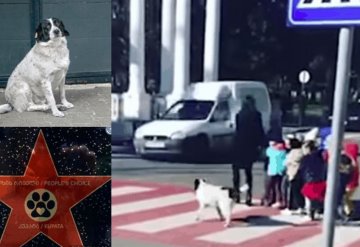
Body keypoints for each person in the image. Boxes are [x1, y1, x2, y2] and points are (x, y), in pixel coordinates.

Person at [232, 95, 266, 206]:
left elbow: (237, 130)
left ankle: (236, 194)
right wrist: (262, 144)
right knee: (248, 172)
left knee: (236, 171)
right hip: (250, 146)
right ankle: (248, 195)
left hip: (238, 145)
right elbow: (259, 131)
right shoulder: (256, 115)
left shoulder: (239, 115)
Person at [299, 141, 327, 221]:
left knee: (309, 197)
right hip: (321, 179)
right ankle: (319, 211)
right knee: (319, 196)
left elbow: (303, 169)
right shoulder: (321, 157)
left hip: (310, 180)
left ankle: (310, 213)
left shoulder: (306, 158)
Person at [281, 138, 305, 215]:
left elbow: (286, 162)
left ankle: (293, 207)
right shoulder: (302, 151)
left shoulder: (293, 153)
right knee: (298, 191)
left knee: (292, 192)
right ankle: (300, 206)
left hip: (293, 174)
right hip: (300, 174)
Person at [264, 140, 287, 208]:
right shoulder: (282, 152)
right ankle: (273, 200)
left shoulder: (273, 151)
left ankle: (274, 200)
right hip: (275, 171)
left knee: (275, 187)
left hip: (276, 171)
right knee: (273, 187)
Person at [343, 142, 359, 218]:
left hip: (350, 184)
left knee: (347, 199)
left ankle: (351, 213)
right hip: (355, 184)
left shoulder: (350, 162)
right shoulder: (355, 160)